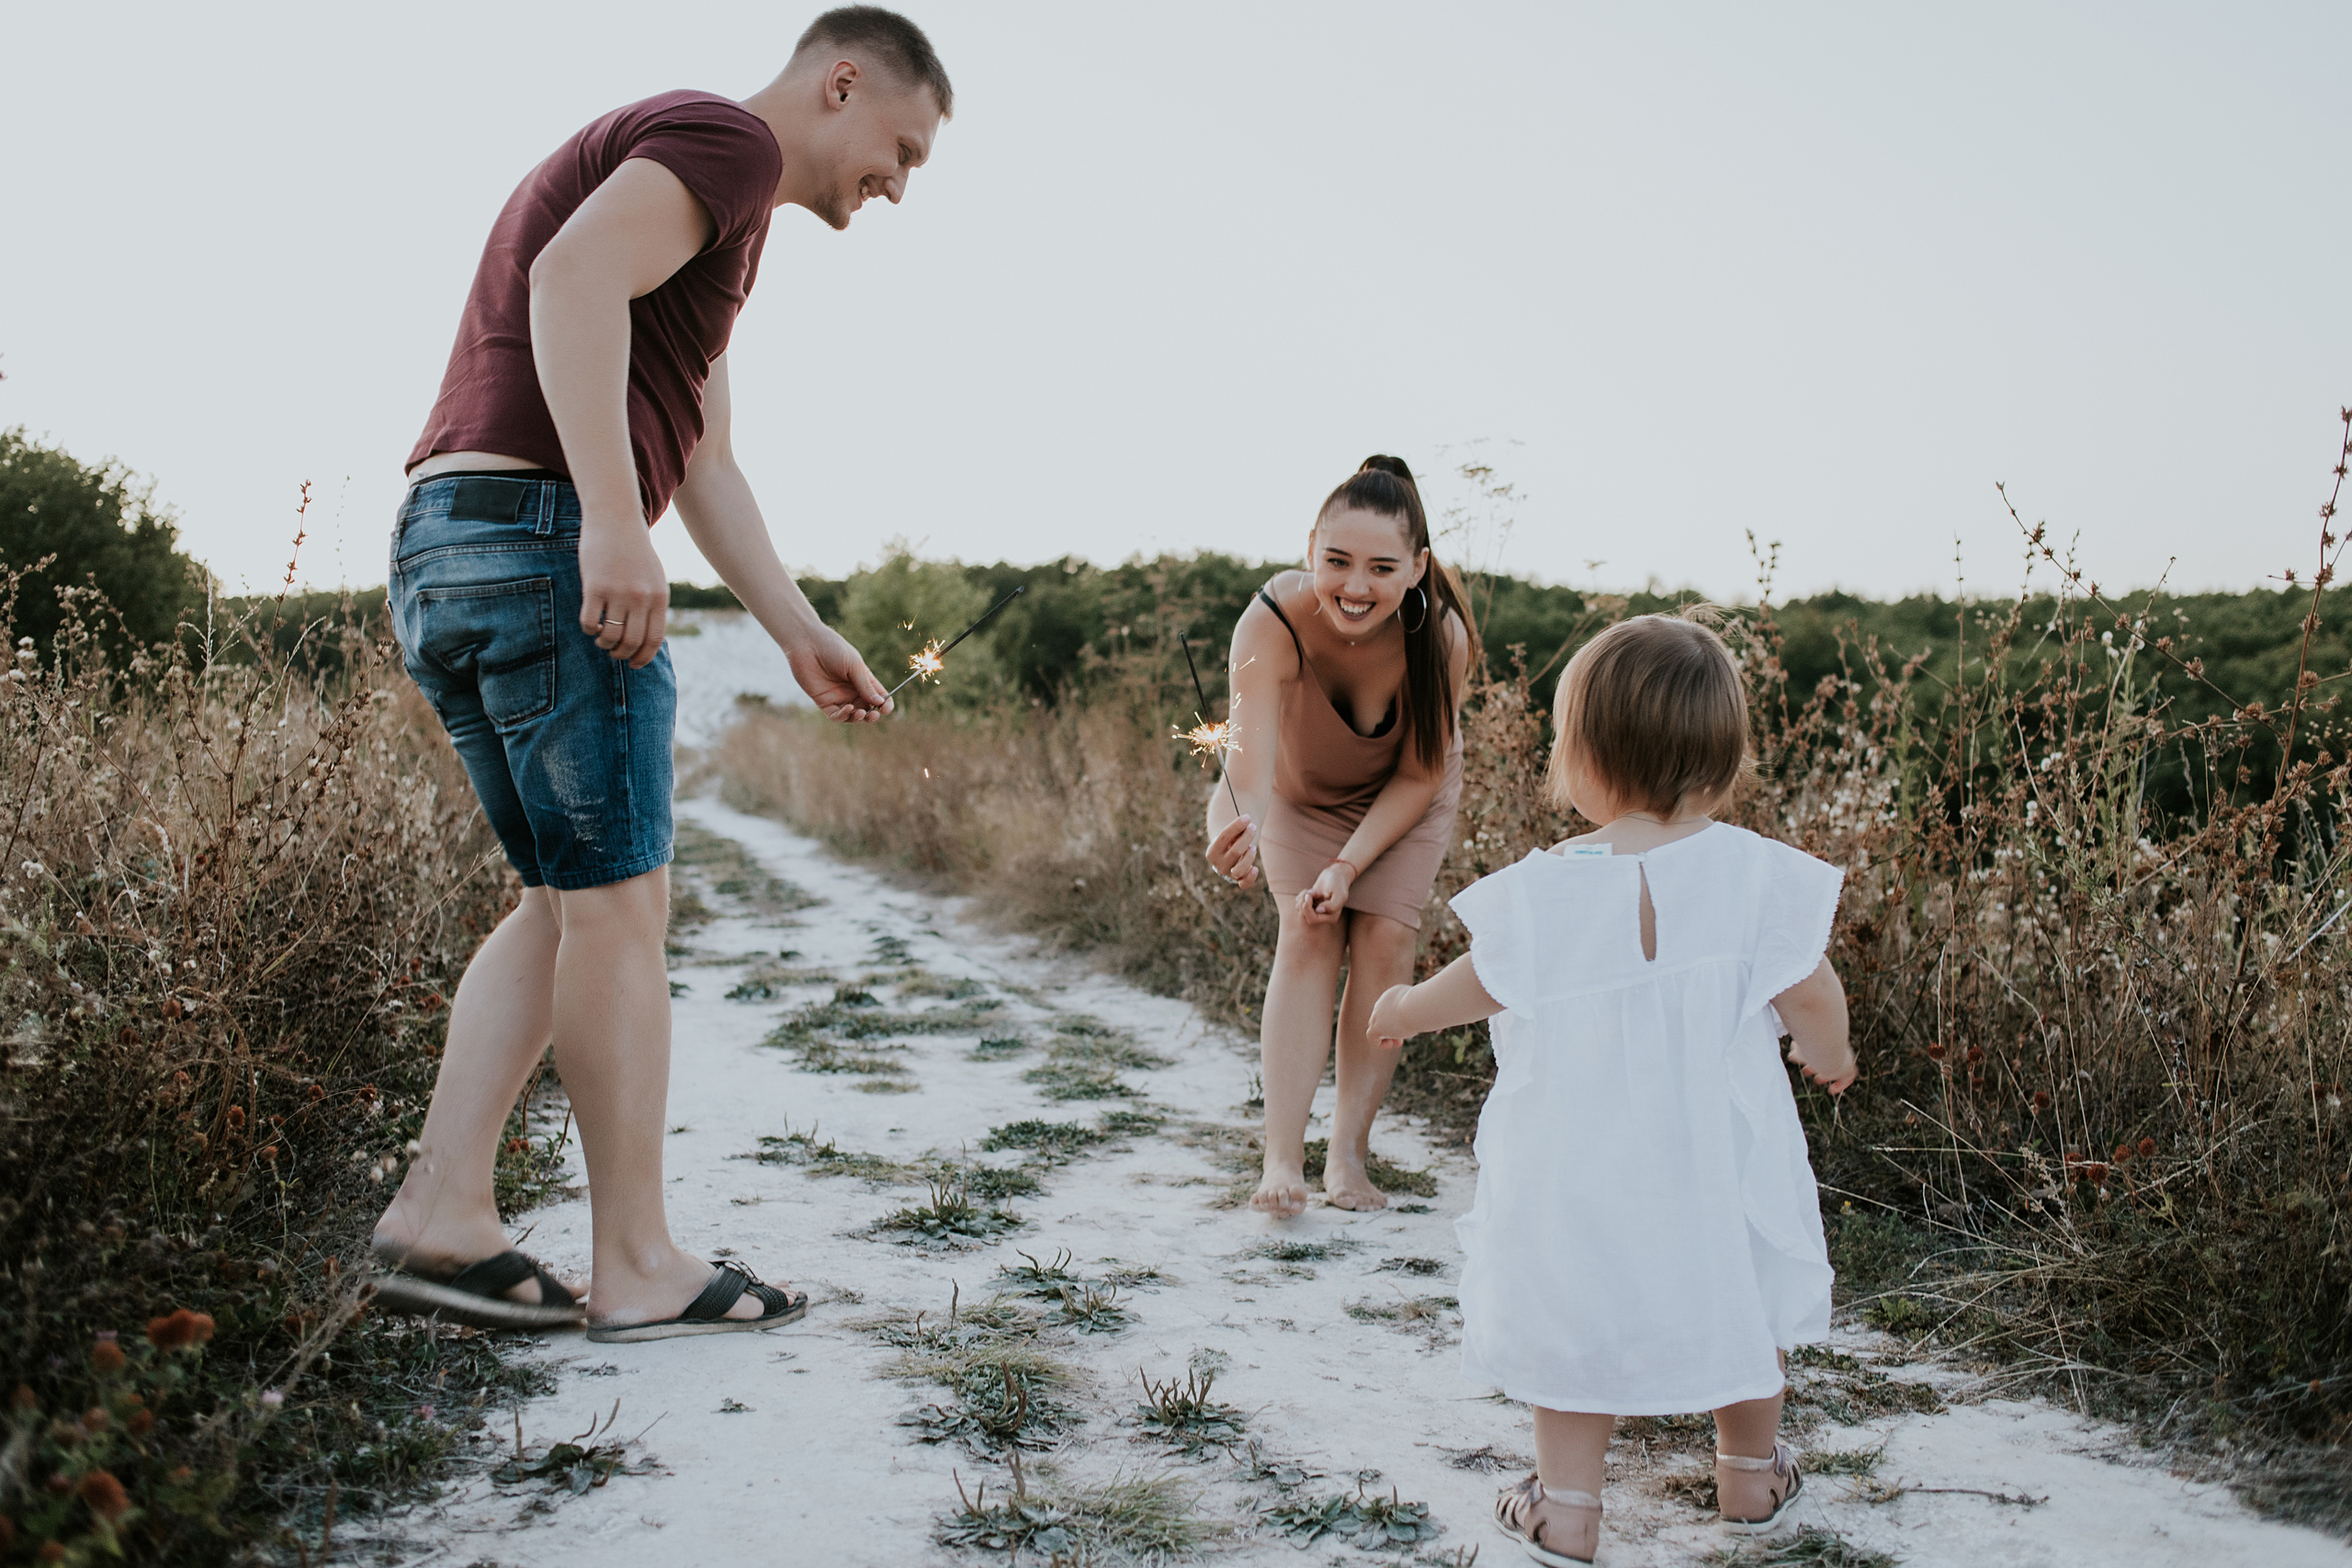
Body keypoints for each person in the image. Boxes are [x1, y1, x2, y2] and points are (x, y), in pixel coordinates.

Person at [369, 7, 952, 1343]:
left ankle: (439, 1206)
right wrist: (608, 519)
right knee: (623, 904)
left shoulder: (708, 220)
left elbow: (701, 456)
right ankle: (635, 1257)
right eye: (900, 150)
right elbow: (567, 283)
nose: (899, 186)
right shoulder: (726, 141)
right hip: (534, 537)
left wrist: (798, 626)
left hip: (449, 537)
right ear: (841, 82)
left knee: (566, 899)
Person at [1365, 610, 1856, 1565]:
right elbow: (1810, 984)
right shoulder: (1754, 874)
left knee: (1574, 1310)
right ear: (1719, 757)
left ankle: (1566, 1506)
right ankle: (1749, 1476)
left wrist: (1406, 1007)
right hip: (1717, 1154)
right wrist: (1826, 1053)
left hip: (1579, 1159)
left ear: (1583, 758)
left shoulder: (1550, 880)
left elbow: (1483, 981)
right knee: (1740, 1291)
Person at [1204, 457, 1474, 1216]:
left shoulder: (1443, 637)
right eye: (1337, 562)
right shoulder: (1271, 620)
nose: (1356, 586)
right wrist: (1226, 828)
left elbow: (1421, 775)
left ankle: (1348, 1156)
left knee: (1385, 940)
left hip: (1406, 792)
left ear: (1417, 568)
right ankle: (1281, 1157)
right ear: (1310, 549)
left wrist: (1351, 866)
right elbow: (1243, 770)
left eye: (1382, 568)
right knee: (1308, 928)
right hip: (1303, 789)